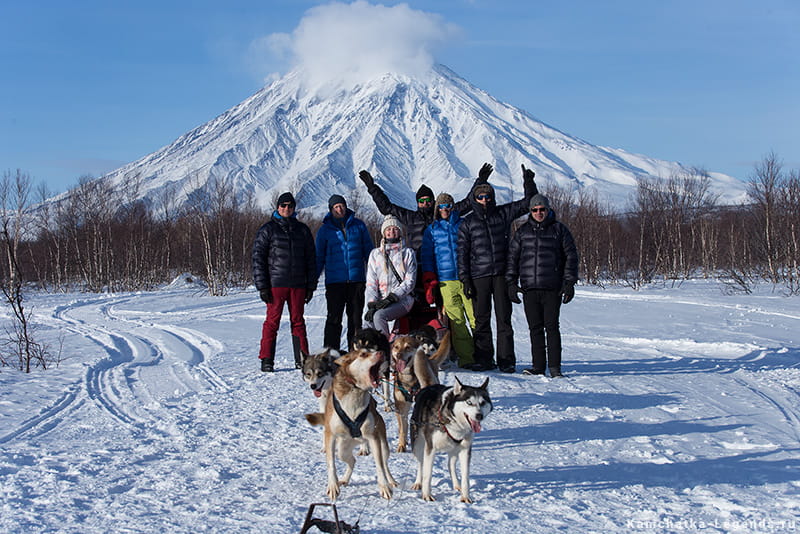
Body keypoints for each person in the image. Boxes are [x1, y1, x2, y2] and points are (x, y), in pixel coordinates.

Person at [457, 164, 538, 373]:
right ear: (475, 199)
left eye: (488, 196)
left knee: (504, 319)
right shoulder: (467, 223)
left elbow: (528, 203)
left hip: (501, 274)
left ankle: (506, 360)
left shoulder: (502, 213)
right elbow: (462, 254)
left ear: (492, 197)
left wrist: (529, 182)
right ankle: (484, 359)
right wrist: (465, 280)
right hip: (478, 276)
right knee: (481, 320)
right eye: (481, 197)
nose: (485, 200)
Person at [506, 194, 579, 378]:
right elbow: (512, 259)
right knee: (535, 328)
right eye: (535, 210)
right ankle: (538, 366)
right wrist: (511, 283)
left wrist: (569, 282)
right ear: (530, 212)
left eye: (542, 209)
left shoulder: (558, 230)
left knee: (552, 327)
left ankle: (555, 367)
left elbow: (571, 256)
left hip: (552, 287)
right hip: (530, 288)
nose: (539, 213)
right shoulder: (523, 232)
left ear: (548, 210)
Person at [357, 164, 493, 253]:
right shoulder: (411, 217)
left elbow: (467, 204)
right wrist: (372, 188)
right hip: (419, 261)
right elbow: (386, 208)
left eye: (428, 200)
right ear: (417, 203)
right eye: (421, 201)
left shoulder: (442, 213)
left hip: (440, 260)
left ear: (433, 201)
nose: (425, 203)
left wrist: (480, 182)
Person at [252, 192, 317, 372]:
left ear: (294, 208)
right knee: (272, 322)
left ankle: (303, 359)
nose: (286, 209)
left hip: (298, 285)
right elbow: (258, 258)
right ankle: (266, 359)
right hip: (276, 283)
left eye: (290, 206)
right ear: (277, 207)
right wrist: (263, 286)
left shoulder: (302, 230)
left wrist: (311, 285)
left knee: (298, 321)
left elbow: (311, 259)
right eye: (283, 206)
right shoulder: (268, 229)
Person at [420, 192, 476, 368]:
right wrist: (429, 279)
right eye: (442, 206)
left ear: (453, 207)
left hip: (465, 278)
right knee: (457, 322)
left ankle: (483, 355)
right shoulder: (432, 230)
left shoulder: (463, 224)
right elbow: (427, 256)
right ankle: (467, 358)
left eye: (448, 206)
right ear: (437, 209)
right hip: (446, 281)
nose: (445, 209)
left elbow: (474, 249)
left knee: (475, 318)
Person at [315, 194, 374, 352]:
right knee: (334, 319)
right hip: (335, 282)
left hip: (356, 281)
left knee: (355, 321)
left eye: (341, 205)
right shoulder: (325, 230)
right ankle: (330, 353)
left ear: (346, 207)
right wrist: (312, 280)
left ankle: (354, 352)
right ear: (331, 209)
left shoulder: (359, 226)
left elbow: (369, 252)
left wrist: (377, 272)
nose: (339, 209)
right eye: (336, 207)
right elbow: (319, 257)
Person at [364, 215, 417, 338]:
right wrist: (372, 304)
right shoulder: (375, 254)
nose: (391, 232)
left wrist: (393, 297)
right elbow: (371, 283)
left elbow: (410, 281)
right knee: (368, 319)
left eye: (395, 229)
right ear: (384, 232)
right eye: (388, 229)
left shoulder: (407, 253)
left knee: (379, 316)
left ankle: (385, 350)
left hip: (403, 300)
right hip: (381, 300)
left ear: (399, 232)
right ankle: (371, 351)